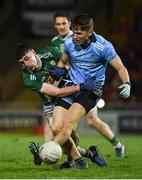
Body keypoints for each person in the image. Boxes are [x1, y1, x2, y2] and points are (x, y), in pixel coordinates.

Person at [48, 13, 131, 167]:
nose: (75, 36)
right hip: (70, 86)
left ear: (90, 33)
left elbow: (120, 67)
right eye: (74, 32)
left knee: (69, 124)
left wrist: (127, 83)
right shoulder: (69, 42)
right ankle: (88, 155)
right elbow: (62, 62)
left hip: (90, 90)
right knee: (56, 127)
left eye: (79, 33)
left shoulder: (103, 46)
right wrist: (59, 71)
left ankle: (48, 152)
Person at [15, 43, 106, 169]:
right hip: (51, 102)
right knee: (63, 137)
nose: (26, 64)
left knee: (69, 133)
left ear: (33, 52)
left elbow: (73, 63)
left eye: (27, 58)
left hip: (69, 94)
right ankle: (86, 157)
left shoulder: (50, 52)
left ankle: (70, 161)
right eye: (21, 62)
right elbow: (55, 92)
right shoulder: (27, 78)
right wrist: (81, 87)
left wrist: (64, 70)